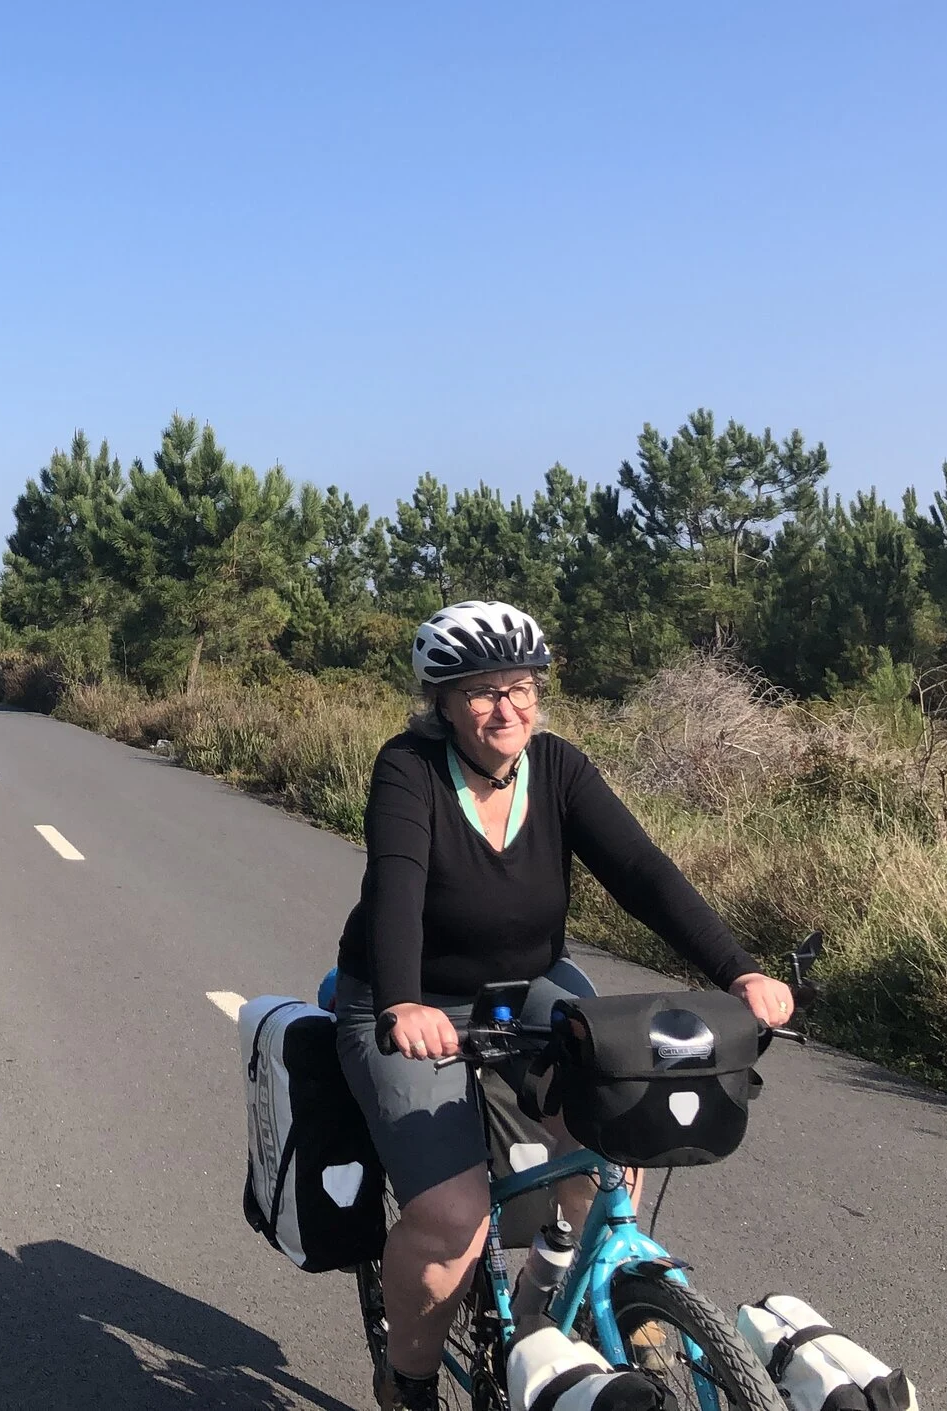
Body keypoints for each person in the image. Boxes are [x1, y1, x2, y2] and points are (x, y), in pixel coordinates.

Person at [333, 600, 794, 1408]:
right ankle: (406, 1379)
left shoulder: (560, 768)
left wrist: (739, 972)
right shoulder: (407, 768)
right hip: (411, 997)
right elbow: (397, 883)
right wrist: (404, 1001)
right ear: (442, 702)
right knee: (454, 1216)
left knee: (617, 1126)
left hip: (527, 986)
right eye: (480, 691)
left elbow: (645, 874)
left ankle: (563, 1305)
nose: (504, 708)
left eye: (519, 687)